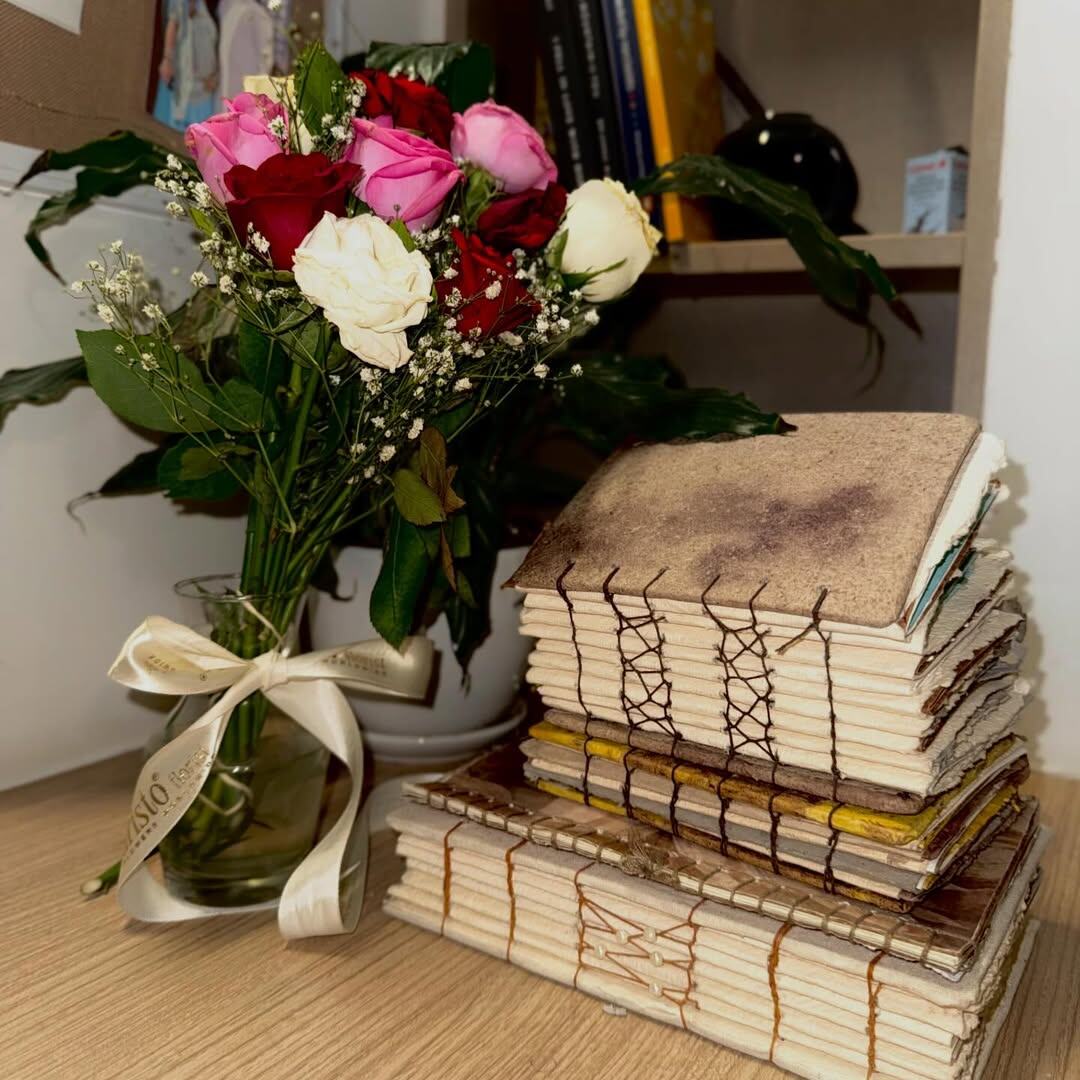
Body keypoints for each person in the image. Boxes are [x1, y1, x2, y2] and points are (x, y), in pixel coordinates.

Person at [153, 0, 220, 131]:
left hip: (206, 90)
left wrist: (216, 74)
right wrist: (167, 59)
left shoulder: (205, 9)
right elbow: (173, 24)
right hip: (186, 89)